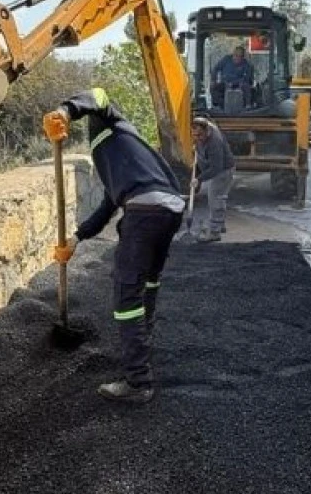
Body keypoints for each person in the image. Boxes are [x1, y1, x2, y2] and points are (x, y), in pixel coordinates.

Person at [44, 88, 185, 404]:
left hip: (146, 209)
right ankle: (143, 342)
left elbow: (99, 93)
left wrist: (66, 109)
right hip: (171, 208)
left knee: (126, 293)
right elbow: (108, 206)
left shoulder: (116, 124)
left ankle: (138, 381)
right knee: (147, 282)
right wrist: (76, 238)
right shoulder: (123, 156)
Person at [191, 117, 235, 242]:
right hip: (217, 168)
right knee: (218, 197)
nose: (197, 138)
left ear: (207, 130)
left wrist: (198, 179)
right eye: (194, 135)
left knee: (215, 198)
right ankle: (219, 225)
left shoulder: (214, 142)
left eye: (200, 135)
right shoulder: (203, 132)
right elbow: (199, 145)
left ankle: (215, 232)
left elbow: (216, 168)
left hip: (223, 171)